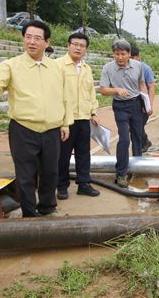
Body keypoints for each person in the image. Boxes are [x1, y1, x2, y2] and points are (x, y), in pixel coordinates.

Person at [0, 20, 73, 217]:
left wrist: (65, 124)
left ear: (46, 42)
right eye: (28, 37)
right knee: (25, 175)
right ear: (23, 39)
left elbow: (65, 97)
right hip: (23, 128)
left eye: (37, 38)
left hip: (52, 130)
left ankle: (47, 208)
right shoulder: (11, 66)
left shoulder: (56, 68)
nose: (32, 42)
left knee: (50, 172)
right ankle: (29, 212)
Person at [56, 32, 100, 200]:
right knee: (63, 155)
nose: (78, 48)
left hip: (83, 118)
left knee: (84, 153)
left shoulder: (86, 68)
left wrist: (93, 112)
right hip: (65, 120)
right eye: (75, 44)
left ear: (86, 50)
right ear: (68, 45)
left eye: (82, 46)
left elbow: (91, 92)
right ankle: (61, 186)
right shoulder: (58, 65)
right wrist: (62, 122)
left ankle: (84, 184)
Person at [99, 40, 147, 188]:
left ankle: (138, 168)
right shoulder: (107, 68)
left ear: (129, 54)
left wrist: (146, 103)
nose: (119, 57)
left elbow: (142, 84)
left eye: (123, 54)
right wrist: (117, 90)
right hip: (120, 106)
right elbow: (103, 90)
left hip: (136, 104)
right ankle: (121, 173)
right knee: (125, 139)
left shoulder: (138, 66)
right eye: (116, 54)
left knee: (137, 136)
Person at [130, 44, 154, 153]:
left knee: (138, 127)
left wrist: (149, 105)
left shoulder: (145, 68)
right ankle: (145, 142)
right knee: (134, 128)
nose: (130, 60)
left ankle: (139, 149)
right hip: (131, 103)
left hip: (143, 102)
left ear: (138, 57)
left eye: (132, 58)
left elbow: (151, 87)